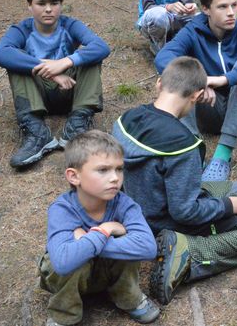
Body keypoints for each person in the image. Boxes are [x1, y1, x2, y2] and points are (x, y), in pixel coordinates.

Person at [112, 56, 237, 305]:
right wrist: (227, 206)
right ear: (197, 96)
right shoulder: (183, 146)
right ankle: (188, 253)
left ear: (159, 83)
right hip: (162, 222)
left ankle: (190, 239)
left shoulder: (126, 119)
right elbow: (185, 211)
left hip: (133, 205)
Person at [155, 0, 237, 181]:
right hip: (208, 108)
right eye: (222, 7)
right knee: (181, 70)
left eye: (234, 5)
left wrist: (223, 79)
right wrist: (200, 80)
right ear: (206, 9)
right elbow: (163, 58)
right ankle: (192, 150)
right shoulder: (193, 31)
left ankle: (222, 156)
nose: (231, 12)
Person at [39, 130, 160, 326]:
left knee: (124, 247)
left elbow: (148, 247)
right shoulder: (62, 209)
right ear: (74, 176)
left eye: (119, 169)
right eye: (103, 170)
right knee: (65, 259)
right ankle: (64, 314)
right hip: (71, 277)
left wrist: (90, 238)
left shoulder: (124, 204)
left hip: (106, 273)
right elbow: (62, 262)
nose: (115, 178)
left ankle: (129, 298)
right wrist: (104, 231)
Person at [0, 0, 110, 168]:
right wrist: (50, 69)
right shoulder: (22, 29)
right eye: (41, 4)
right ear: (30, 6)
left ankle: (76, 126)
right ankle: (37, 132)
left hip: (70, 91)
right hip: (37, 95)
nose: (48, 9)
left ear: (61, 5)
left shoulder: (70, 25)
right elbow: (1, 53)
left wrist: (65, 62)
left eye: (54, 3)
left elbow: (101, 47)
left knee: (91, 57)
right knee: (16, 62)